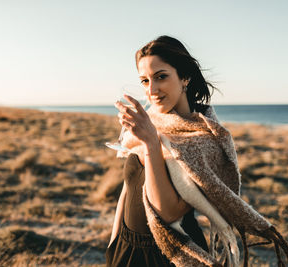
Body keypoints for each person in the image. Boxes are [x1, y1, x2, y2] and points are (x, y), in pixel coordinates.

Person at [105, 35, 218, 267]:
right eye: (145, 81)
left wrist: (151, 144)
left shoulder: (200, 138)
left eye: (161, 77)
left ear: (185, 77)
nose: (152, 90)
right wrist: (114, 244)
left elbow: (169, 213)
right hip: (126, 250)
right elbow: (129, 187)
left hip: (171, 256)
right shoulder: (151, 122)